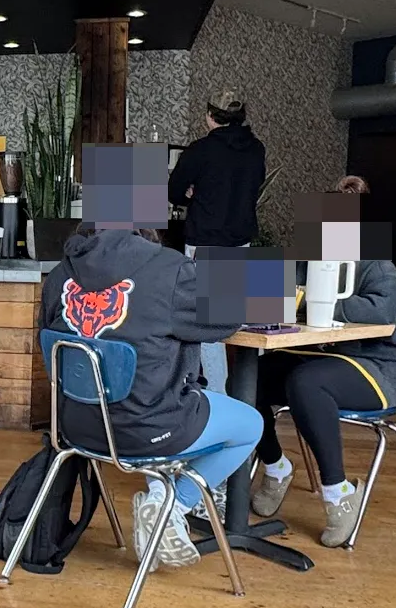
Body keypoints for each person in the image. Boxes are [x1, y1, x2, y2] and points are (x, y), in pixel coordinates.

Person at [40, 222, 264, 569]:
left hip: (75, 428)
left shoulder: (58, 275)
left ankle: (160, 494)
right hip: (147, 430)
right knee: (250, 424)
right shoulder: (169, 270)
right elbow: (228, 319)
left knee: (152, 396)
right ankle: (172, 504)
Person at [250, 250, 396, 547]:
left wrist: (310, 302)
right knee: (248, 379)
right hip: (311, 356)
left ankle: (339, 493)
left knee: (307, 383)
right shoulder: (297, 263)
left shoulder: (376, 264)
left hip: (378, 366)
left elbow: (381, 311)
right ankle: (276, 466)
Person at [169, 92, 267, 392]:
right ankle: (243, 397)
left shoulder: (201, 150)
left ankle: (217, 394)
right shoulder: (256, 149)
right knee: (235, 321)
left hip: (206, 243)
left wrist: (192, 194)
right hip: (240, 242)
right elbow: (254, 186)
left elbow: (173, 191)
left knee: (208, 328)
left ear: (211, 116)